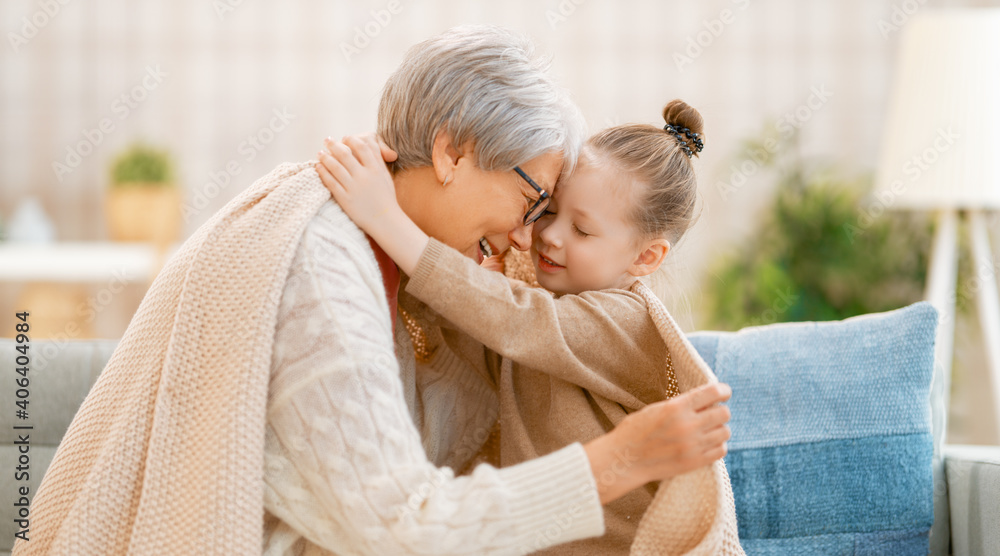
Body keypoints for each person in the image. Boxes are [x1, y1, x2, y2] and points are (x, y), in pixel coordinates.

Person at [14, 27, 731, 556]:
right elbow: (405, 527)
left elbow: (445, 434)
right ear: (453, 153)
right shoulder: (323, 269)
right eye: (534, 200)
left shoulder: (396, 259)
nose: (525, 238)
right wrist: (619, 460)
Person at [315, 100, 742, 555]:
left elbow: (517, 321)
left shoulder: (626, 322)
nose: (552, 235)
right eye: (551, 210)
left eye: (582, 230)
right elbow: (478, 361)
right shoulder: (548, 305)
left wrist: (385, 217)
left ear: (645, 258)